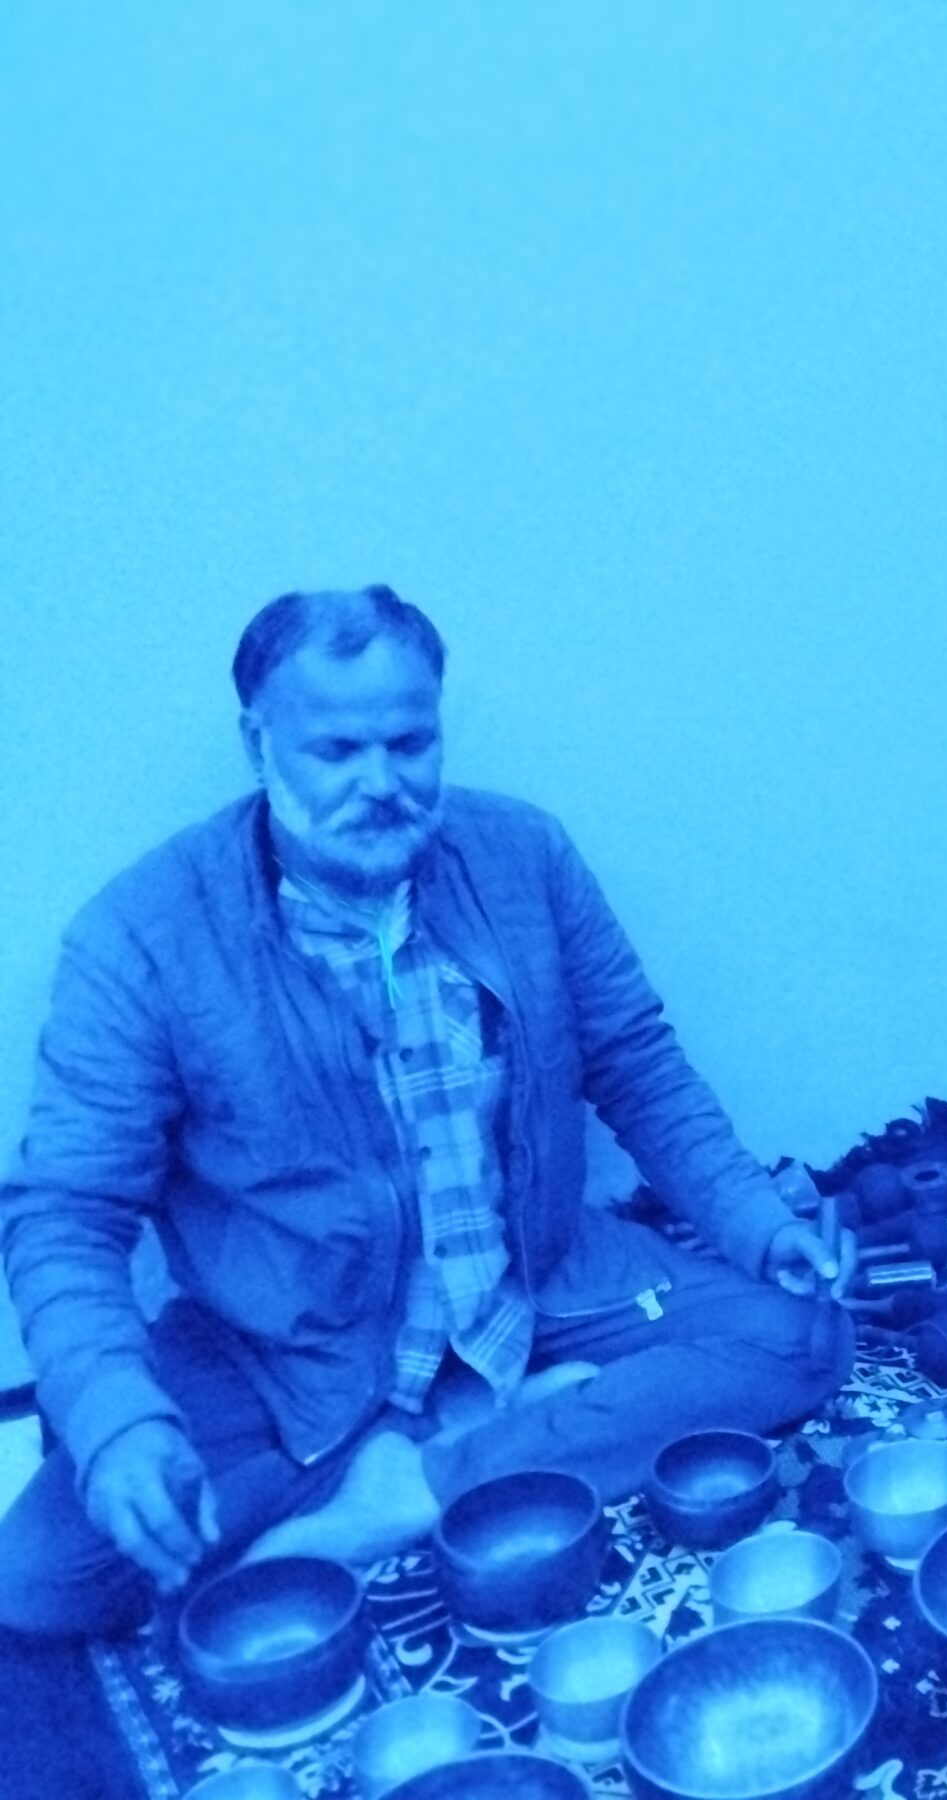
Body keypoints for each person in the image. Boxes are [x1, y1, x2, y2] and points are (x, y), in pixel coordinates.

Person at [0, 587, 856, 1637]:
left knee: (801, 1336)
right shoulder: (142, 936)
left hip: (537, 1281)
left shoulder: (523, 855)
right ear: (257, 743)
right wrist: (116, 1421)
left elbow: (636, 1061)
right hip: (287, 1347)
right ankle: (503, 1429)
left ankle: (416, 1482)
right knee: (41, 1577)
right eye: (337, 750)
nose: (381, 783)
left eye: (409, 743)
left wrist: (757, 1221)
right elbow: (67, 1214)